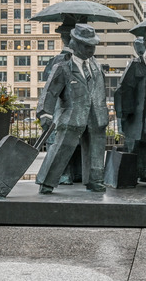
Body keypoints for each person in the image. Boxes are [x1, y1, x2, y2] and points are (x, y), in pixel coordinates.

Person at [36, 24, 109, 193]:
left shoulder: (96, 66)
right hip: (71, 115)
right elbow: (49, 92)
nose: (91, 49)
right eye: (87, 45)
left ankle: (95, 179)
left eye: (93, 46)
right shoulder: (62, 67)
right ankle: (47, 182)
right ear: (75, 44)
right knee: (61, 147)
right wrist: (44, 113)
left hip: (96, 115)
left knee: (96, 148)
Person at [114, 30, 146, 181]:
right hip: (138, 116)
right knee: (137, 146)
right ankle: (134, 174)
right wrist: (125, 115)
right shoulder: (135, 65)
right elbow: (124, 89)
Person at [41, 22, 81, 184]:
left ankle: (74, 173)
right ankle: (63, 174)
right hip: (63, 108)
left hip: (73, 109)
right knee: (61, 142)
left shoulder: (76, 59)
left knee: (71, 142)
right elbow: (50, 83)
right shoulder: (60, 60)